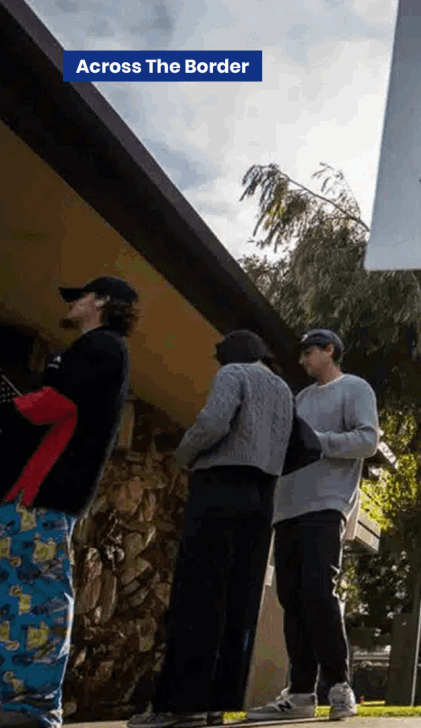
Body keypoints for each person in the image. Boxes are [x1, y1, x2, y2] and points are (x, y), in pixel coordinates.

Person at [129, 332, 294, 728]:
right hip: (263, 494)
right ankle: (217, 702)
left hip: (220, 485)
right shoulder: (284, 389)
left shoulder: (233, 373)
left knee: (199, 592)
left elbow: (213, 422)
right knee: (239, 596)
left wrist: (184, 454)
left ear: (231, 354)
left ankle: (179, 705)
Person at [0, 276, 136, 728]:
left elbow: (52, 405)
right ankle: (15, 701)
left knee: (38, 595)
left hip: (48, 492)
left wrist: (9, 408)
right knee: (16, 593)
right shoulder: (93, 350)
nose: (71, 304)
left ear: (101, 302)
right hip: (33, 492)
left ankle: (33, 707)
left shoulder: (103, 348)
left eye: (78, 296)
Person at [246, 329, 378, 721]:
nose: (302, 360)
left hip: (327, 503)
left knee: (319, 591)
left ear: (329, 351)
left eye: (308, 352)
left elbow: (367, 440)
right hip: (286, 507)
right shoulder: (301, 398)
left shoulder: (354, 388)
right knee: (291, 599)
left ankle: (339, 686)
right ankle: (301, 693)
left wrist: (317, 441)